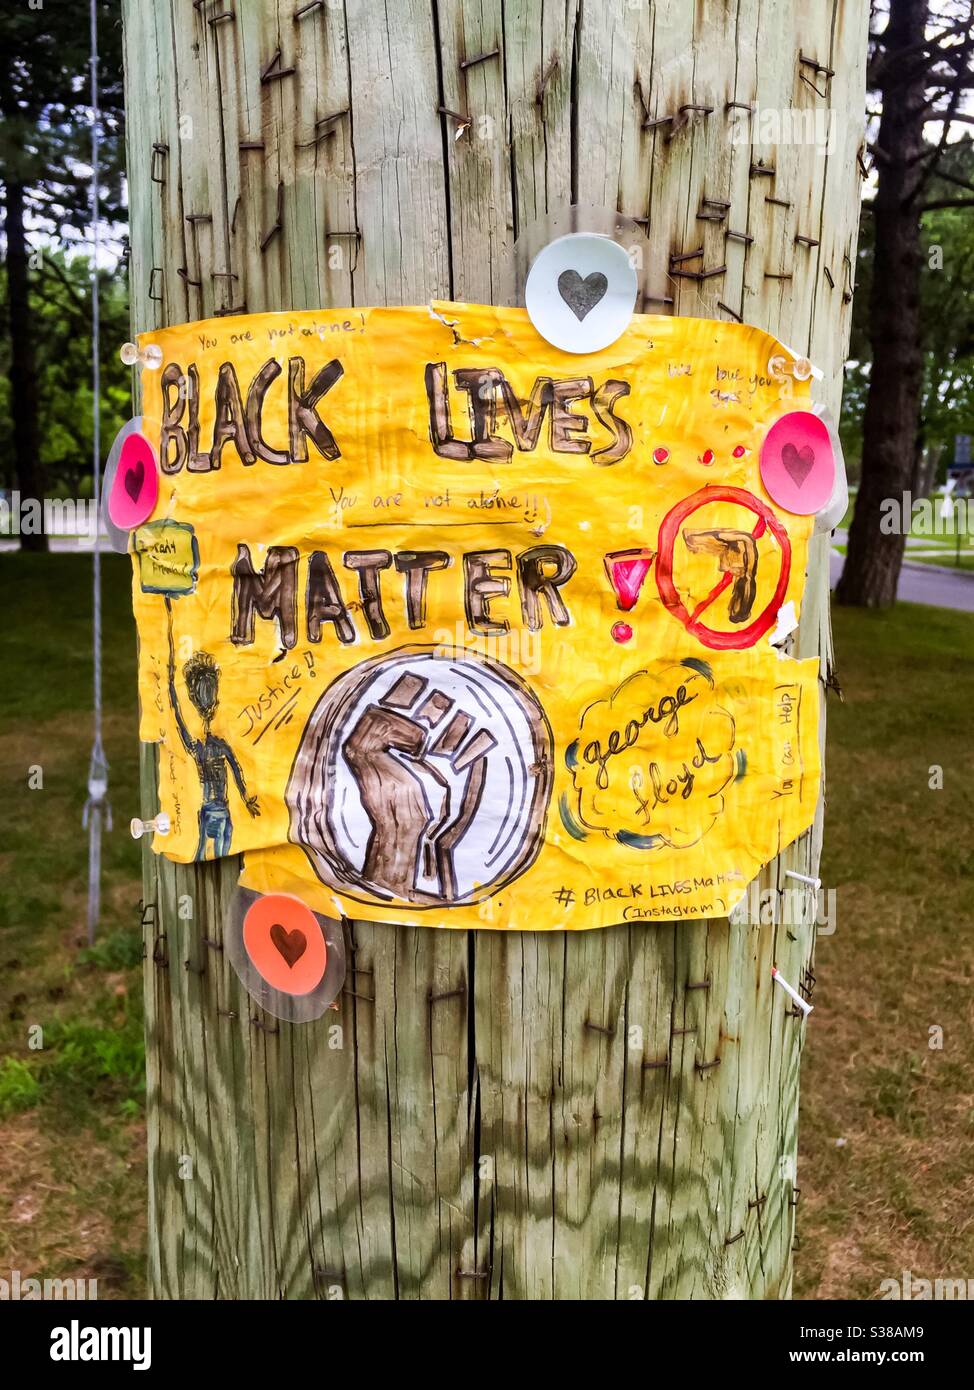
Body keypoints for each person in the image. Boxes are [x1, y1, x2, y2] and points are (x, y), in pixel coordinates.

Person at [167, 603, 259, 859]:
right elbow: (237, 772)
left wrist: (172, 689)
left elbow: (179, 720)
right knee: (217, 850)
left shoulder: (202, 748)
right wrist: (246, 798)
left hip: (210, 809)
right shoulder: (216, 746)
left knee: (210, 851)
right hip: (217, 809)